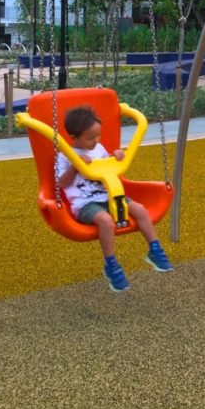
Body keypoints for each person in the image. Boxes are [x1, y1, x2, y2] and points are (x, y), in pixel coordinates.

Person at [56, 104, 174, 292]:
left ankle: (155, 250)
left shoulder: (99, 148)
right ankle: (111, 265)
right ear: (73, 137)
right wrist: (75, 166)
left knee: (140, 209)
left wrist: (116, 156)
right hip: (85, 203)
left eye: (97, 135)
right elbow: (61, 184)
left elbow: (106, 166)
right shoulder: (65, 156)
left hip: (110, 194)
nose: (95, 140)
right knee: (106, 220)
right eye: (89, 138)